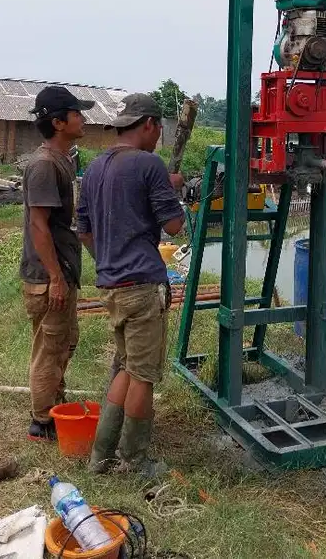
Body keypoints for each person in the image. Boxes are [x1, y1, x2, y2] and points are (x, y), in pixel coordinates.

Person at [80, 93, 185, 476]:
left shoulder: (94, 168)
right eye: (159, 129)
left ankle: (100, 456)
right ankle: (133, 461)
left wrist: (110, 262)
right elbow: (173, 226)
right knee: (143, 375)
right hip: (142, 287)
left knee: (124, 367)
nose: (159, 137)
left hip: (112, 286)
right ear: (149, 125)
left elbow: (84, 230)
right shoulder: (148, 164)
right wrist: (173, 188)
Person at [22, 86, 93, 441]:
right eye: (77, 113)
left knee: (65, 341)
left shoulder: (63, 159)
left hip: (61, 269)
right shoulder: (45, 166)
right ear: (58, 121)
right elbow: (38, 224)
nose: (83, 118)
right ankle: (41, 422)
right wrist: (55, 278)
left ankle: (53, 405)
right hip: (49, 274)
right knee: (49, 348)